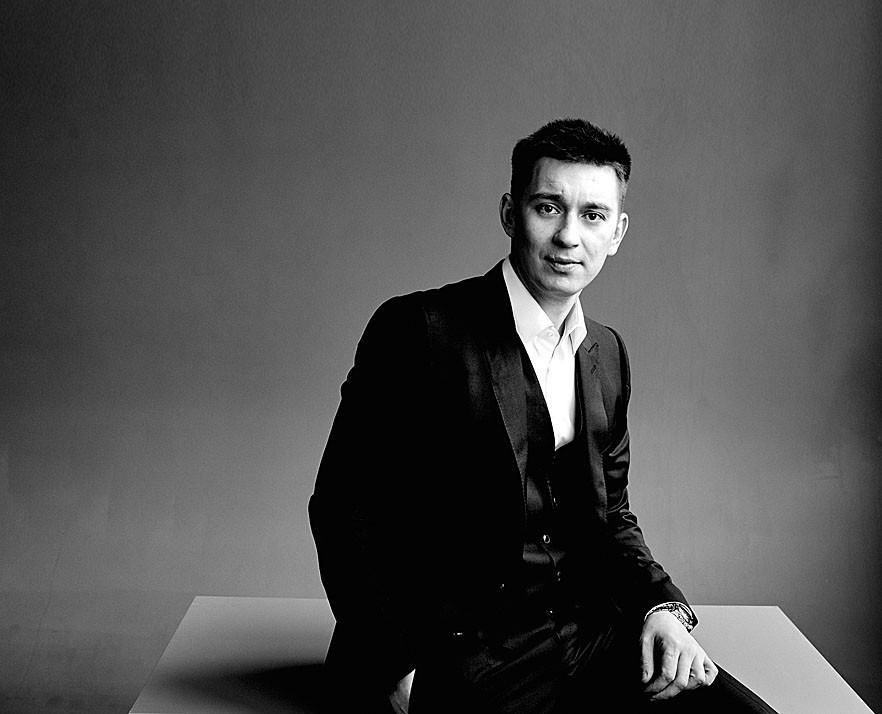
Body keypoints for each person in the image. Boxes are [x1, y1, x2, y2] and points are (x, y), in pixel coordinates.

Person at [309, 118, 777, 713]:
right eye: (548, 208)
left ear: (618, 231)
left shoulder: (608, 352)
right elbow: (343, 509)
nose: (568, 237)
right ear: (511, 214)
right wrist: (397, 668)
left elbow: (612, 516)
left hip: (582, 631)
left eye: (593, 215)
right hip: (455, 650)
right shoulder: (418, 330)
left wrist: (661, 609)